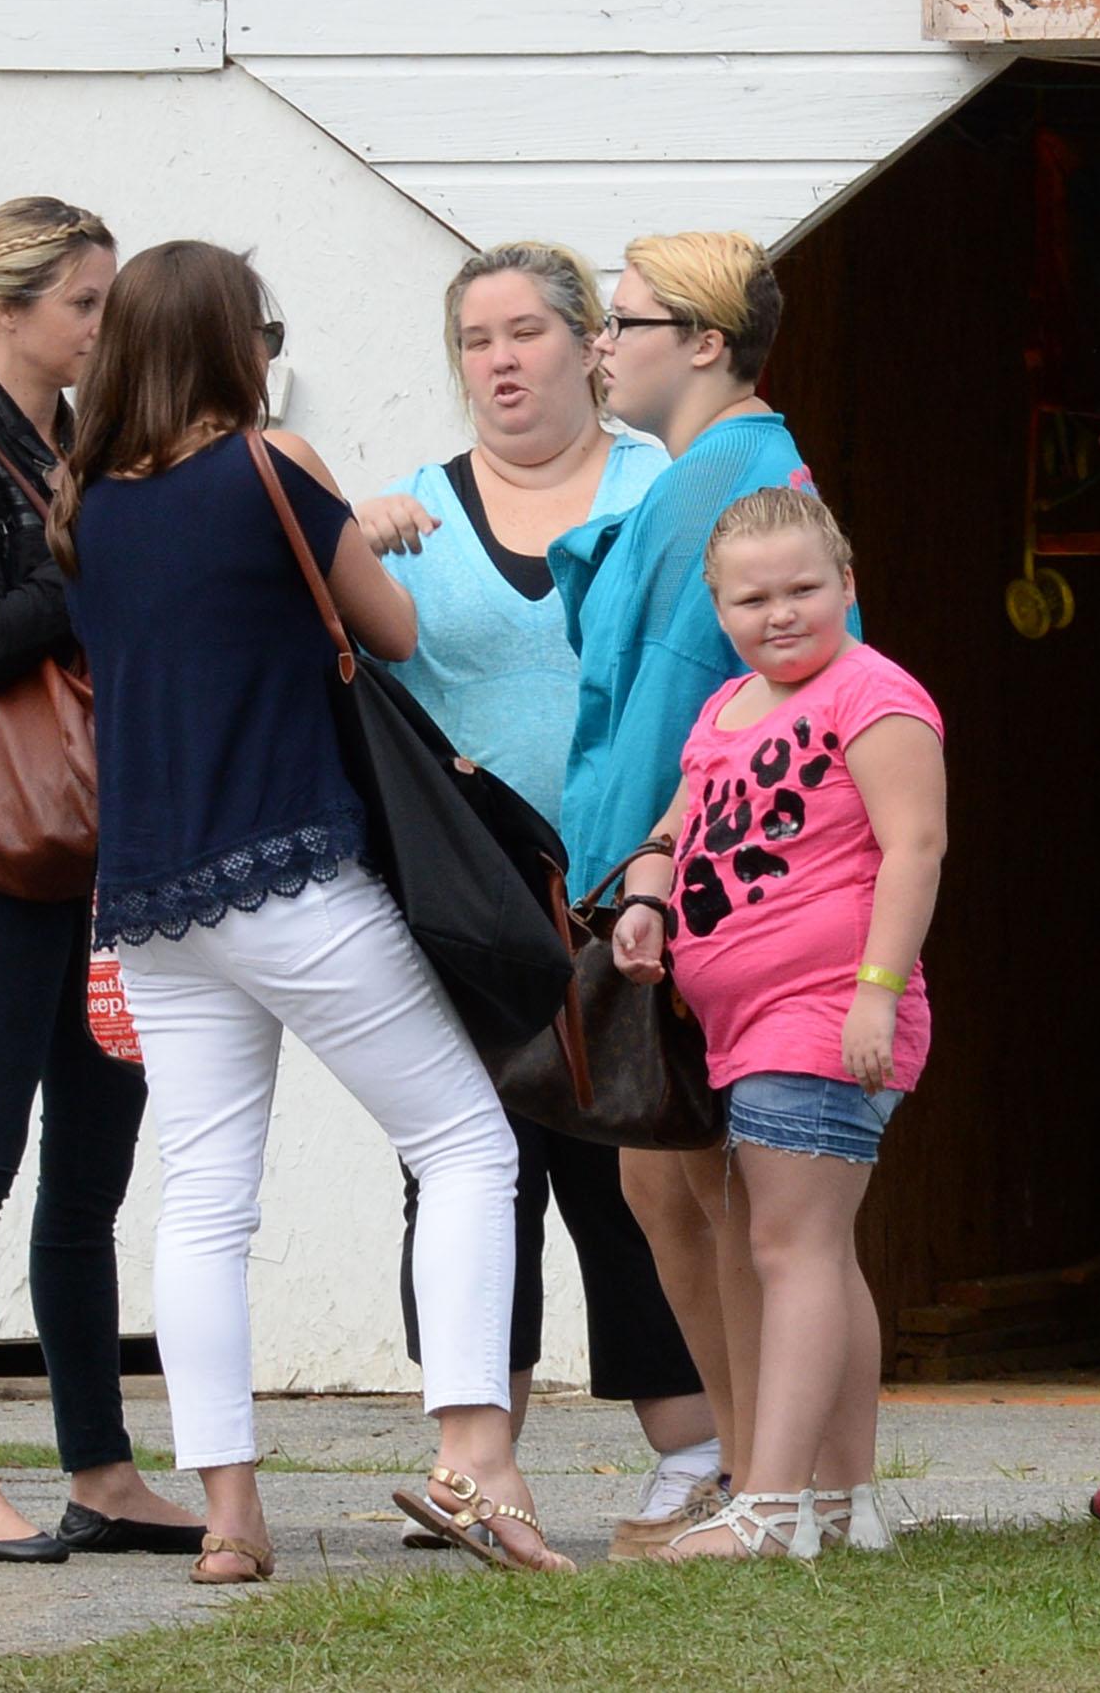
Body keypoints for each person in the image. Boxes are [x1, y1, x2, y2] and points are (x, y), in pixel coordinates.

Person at [52, 239, 571, 1581]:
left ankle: (229, 1516)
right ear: (239, 344)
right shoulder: (273, 469)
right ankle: (478, 1461)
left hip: (154, 896)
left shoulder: (87, 499)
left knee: (204, 1200)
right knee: (465, 1140)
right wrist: (369, 526)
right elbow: (388, 631)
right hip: (286, 870)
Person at [353, 241, 720, 1552]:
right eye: (475, 339)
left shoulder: (659, 488)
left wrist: (665, 864)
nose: (500, 361)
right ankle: (476, 1465)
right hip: (465, 895)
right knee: (463, 1168)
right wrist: (355, 552)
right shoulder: (407, 512)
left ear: (588, 346)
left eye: (525, 333)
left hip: (628, 885)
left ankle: (695, 1452)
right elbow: (349, 678)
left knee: (626, 1162)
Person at [0, 197, 203, 1563]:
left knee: (92, 1172)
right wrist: (109, 540)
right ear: (10, 311)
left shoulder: (99, 451)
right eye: (86, 304)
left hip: (109, 845)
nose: (104, 326)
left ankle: (103, 1470)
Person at [550, 230, 855, 1554]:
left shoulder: (724, 486)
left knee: (719, 1194)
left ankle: (771, 1485)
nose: (595, 345)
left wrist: (640, 887)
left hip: (701, 891)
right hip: (695, 882)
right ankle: (788, 1486)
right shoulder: (715, 475)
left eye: (621, 322)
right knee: (689, 1192)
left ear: (705, 341)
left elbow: (687, 709)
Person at [613, 489, 945, 1559]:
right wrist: (648, 892)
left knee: (788, 1248)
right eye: (752, 598)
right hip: (731, 1024)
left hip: (823, 1014)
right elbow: (680, 820)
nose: (781, 613)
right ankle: (845, 1506)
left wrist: (877, 991)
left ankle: (769, 1509)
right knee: (815, 1254)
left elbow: (914, 849)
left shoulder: (875, 696)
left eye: (804, 589)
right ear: (717, 609)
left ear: (848, 584)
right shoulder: (727, 710)